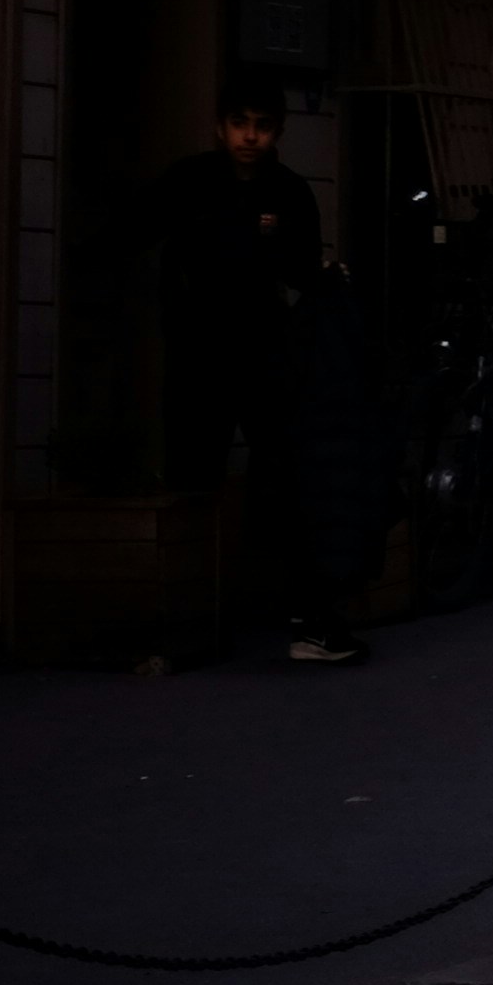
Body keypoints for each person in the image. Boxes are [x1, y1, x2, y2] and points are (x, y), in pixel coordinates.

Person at [156, 89, 361, 660]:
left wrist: (322, 279)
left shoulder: (289, 191)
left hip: (262, 349)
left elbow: (299, 267)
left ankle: (302, 617)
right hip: (199, 348)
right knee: (193, 476)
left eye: (262, 126)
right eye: (240, 124)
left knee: (284, 473)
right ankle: (185, 622)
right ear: (220, 126)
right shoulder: (188, 181)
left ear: (278, 131)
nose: (250, 136)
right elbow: (155, 247)